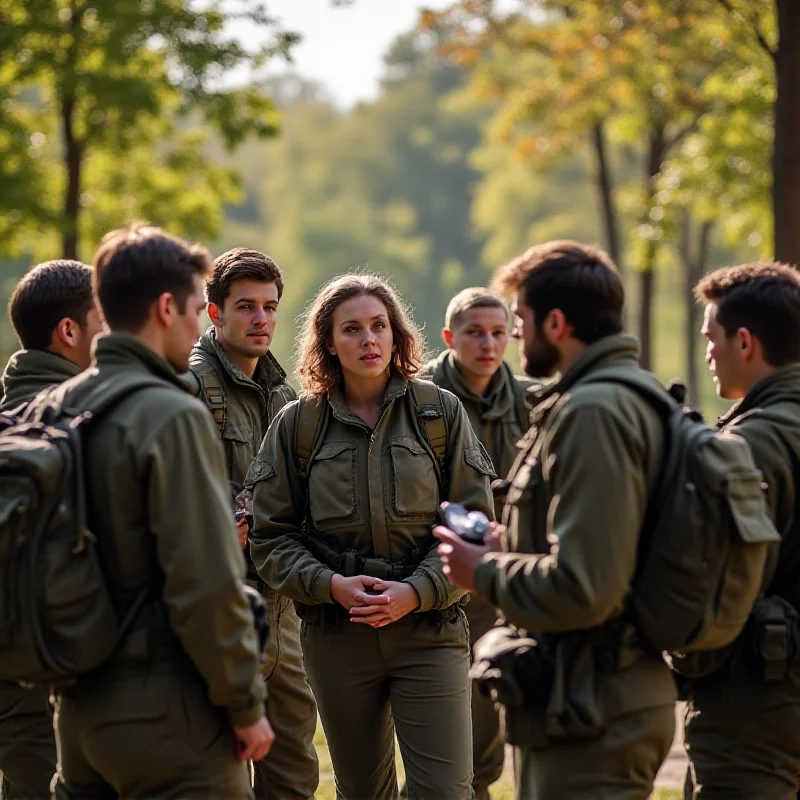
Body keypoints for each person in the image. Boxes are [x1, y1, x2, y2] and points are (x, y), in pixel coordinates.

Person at [435, 241, 677, 800]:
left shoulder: (593, 410)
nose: (512, 337)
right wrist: (510, 546)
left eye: (519, 320)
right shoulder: (617, 395)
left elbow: (586, 586)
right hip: (590, 691)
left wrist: (487, 570)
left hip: (595, 702)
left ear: (557, 323)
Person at [248, 274, 495, 799]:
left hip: (430, 632)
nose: (369, 340)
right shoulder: (298, 425)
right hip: (340, 637)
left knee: (447, 791)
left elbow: (472, 529)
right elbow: (270, 538)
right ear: (328, 341)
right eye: (352, 329)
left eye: (379, 326)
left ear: (396, 334)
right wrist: (330, 584)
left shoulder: (440, 414)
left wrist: (417, 592)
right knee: (362, 792)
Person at [50, 223, 273, 800]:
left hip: (74, 709)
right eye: (199, 310)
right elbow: (205, 581)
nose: (201, 326)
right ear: (166, 307)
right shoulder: (170, 414)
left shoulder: (54, 407)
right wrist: (245, 705)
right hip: (168, 712)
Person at [185, 248, 319, 800]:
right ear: (214, 314)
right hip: (219, 605)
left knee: (294, 769)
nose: (261, 319)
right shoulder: (187, 390)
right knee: (221, 771)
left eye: (269, 306)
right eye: (245, 307)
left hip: (281, 606)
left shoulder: (285, 395)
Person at [684, 263, 800, 799]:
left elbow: (714, 589)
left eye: (713, 338)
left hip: (756, 704)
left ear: (745, 342)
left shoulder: (748, 445)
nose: (709, 352)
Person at [419, 287, 533, 800]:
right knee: (439, 725)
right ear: (449, 337)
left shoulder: (535, 402)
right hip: (427, 574)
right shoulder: (414, 395)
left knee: (489, 713)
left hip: (503, 579)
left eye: (498, 333)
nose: (488, 344)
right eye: (474, 333)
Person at [0, 260, 104, 800]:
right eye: (104, 322)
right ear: (70, 332)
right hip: (63, 668)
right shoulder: (84, 425)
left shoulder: (5, 418)